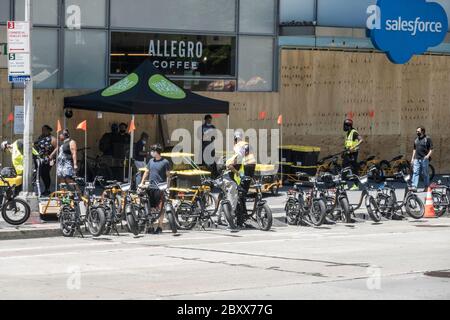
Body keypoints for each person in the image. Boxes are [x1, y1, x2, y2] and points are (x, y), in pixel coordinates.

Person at [226, 132, 256, 227]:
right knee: (244, 191)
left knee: (240, 193)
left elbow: (238, 158)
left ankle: (242, 217)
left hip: (244, 165)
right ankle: (244, 214)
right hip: (252, 165)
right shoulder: (246, 143)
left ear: (235, 139)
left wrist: (232, 167)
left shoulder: (236, 146)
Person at [139, 144, 171, 234]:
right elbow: (146, 172)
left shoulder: (165, 162)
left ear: (157, 152)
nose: (151, 152)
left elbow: (168, 175)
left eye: (153, 151)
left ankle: (160, 227)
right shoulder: (150, 161)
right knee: (151, 208)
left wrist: (168, 187)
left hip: (160, 188)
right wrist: (141, 183)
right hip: (151, 188)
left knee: (161, 208)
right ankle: (151, 226)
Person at [34, 125, 57, 196]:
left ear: (48, 130)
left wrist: (52, 155)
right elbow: (36, 144)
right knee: (41, 174)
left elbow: (57, 147)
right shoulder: (41, 137)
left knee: (46, 173)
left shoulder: (52, 138)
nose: (43, 131)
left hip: (49, 159)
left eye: (44, 129)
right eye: (42, 129)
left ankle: (47, 189)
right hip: (40, 158)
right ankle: (45, 189)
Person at [343, 119, 363, 190]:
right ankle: (344, 184)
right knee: (344, 168)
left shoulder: (354, 132)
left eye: (345, 125)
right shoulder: (348, 133)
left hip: (353, 154)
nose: (344, 127)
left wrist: (353, 147)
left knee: (354, 169)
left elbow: (361, 140)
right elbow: (347, 144)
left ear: (349, 126)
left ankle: (356, 185)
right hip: (347, 153)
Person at [411, 126, 433, 191]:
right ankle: (414, 187)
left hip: (424, 159)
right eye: (416, 131)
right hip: (416, 159)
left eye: (418, 131)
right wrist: (412, 158)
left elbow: (432, 149)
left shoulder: (427, 139)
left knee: (425, 173)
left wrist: (427, 156)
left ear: (422, 131)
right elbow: (414, 149)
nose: (417, 132)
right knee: (415, 172)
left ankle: (427, 187)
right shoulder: (416, 139)